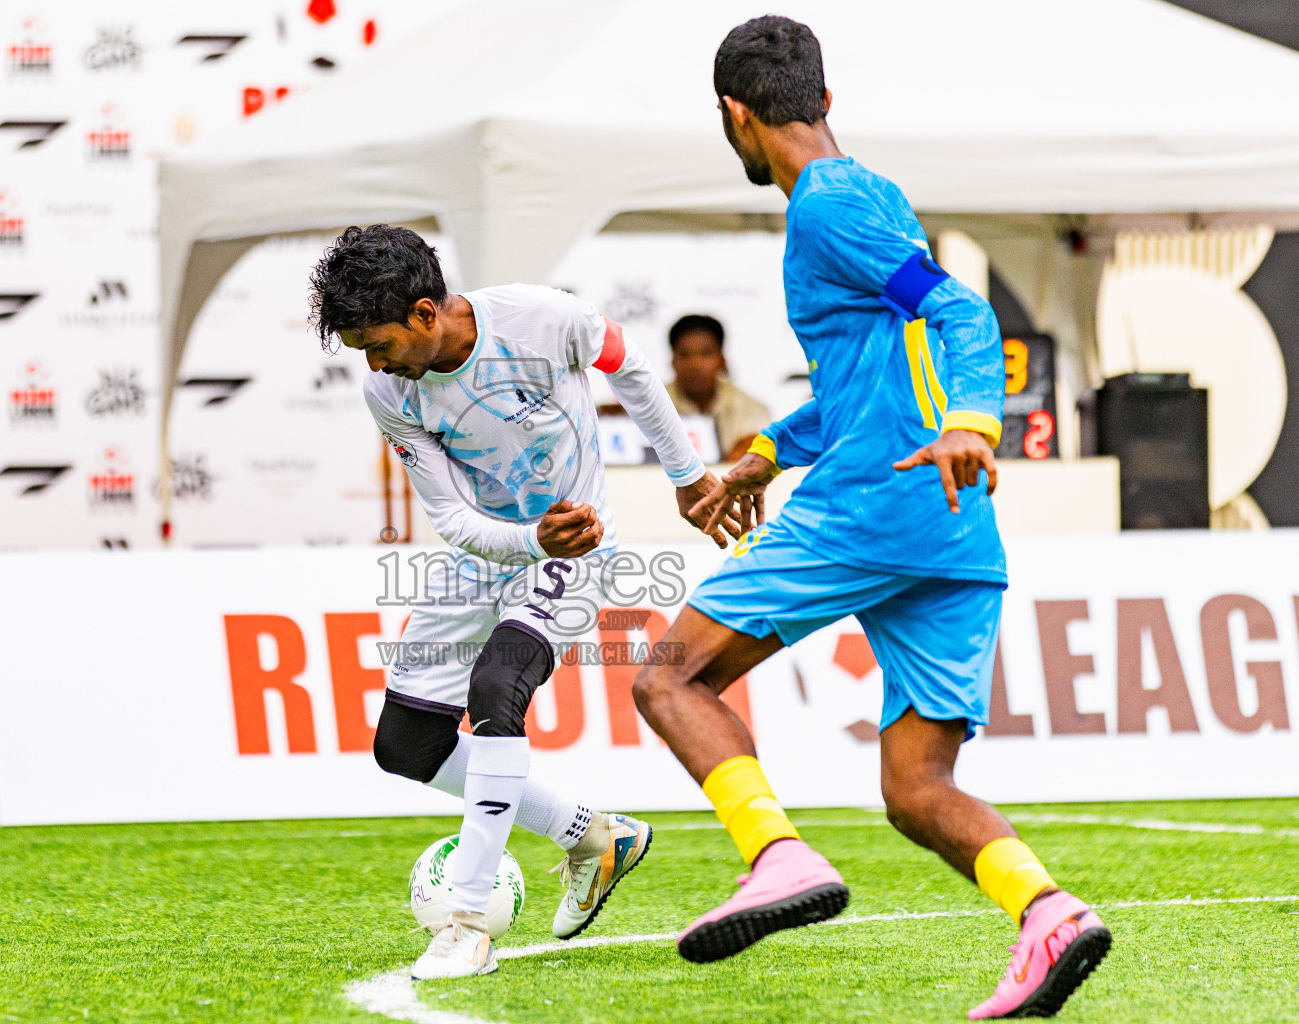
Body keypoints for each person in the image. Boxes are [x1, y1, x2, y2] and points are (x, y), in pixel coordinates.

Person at [630, 17, 1110, 1020]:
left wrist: (977, 421)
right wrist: (764, 454)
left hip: (879, 502)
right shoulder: (869, 193)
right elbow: (868, 383)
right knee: (917, 787)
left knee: (668, 676)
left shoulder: (827, 208)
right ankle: (1048, 909)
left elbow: (962, 315)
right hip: (952, 529)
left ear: (736, 114)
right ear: (827, 99)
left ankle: (777, 854)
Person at [308, 225, 743, 981]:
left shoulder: (542, 319)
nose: (374, 365)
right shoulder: (389, 391)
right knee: (405, 747)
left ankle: (468, 923)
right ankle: (593, 836)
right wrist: (531, 539)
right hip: (493, 549)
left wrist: (684, 474)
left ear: (424, 313)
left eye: (378, 344)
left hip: (579, 546)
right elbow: (451, 519)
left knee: (495, 691)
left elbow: (632, 368)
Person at [665, 314, 773, 461]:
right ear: (672, 362)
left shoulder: (752, 411)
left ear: (723, 361)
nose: (695, 365)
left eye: (705, 354)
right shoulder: (646, 405)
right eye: (684, 355)